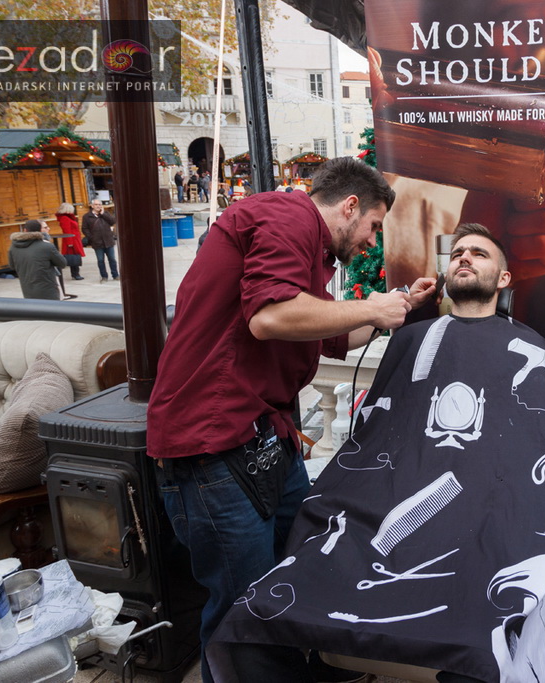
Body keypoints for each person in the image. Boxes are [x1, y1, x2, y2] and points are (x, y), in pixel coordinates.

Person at [206, 223, 545, 683]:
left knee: (479, 634)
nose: (465, 258)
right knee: (254, 620)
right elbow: (372, 440)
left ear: (505, 279)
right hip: (381, 512)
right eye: (457, 253)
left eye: (479, 253)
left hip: (489, 526)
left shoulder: (531, 350)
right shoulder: (412, 342)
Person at [146, 157, 437, 683]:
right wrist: (371, 308)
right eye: (373, 226)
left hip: (264, 440)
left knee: (294, 574)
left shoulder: (310, 251)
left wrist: (397, 307)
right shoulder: (287, 215)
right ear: (349, 206)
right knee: (245, 609)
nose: (372, 243)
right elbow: (271, 317)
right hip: (213, 447)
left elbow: (329, 336)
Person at [8, 219, 66, 300]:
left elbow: (12, 266)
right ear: (40, 231)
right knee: (52, 310)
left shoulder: (13, 247)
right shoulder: (47, 246)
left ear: (25, 230)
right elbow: (62, 263)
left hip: (27, 288)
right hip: (48, 289)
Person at [81, 199, 119, 283]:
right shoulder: (87, 216)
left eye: (100, 204)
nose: (98, 206)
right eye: (96, 204)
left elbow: (113, 221)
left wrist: (103, 214)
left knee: (112, 259)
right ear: (92, 206)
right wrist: (91, 238)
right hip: (97, 242)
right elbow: (84, 229)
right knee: (101, 261)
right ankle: (104, 276)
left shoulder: (105, 214)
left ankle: (115, 275)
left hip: (108, 241)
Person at [55, 202, 85, 280]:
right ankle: (75, 274)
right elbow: (67, 231)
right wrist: (70, 243)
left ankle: (75, 273)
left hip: (74, 239)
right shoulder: (65, 218)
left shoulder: (67, 217)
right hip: (72, 240)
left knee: (75, 257)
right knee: (74, 257)